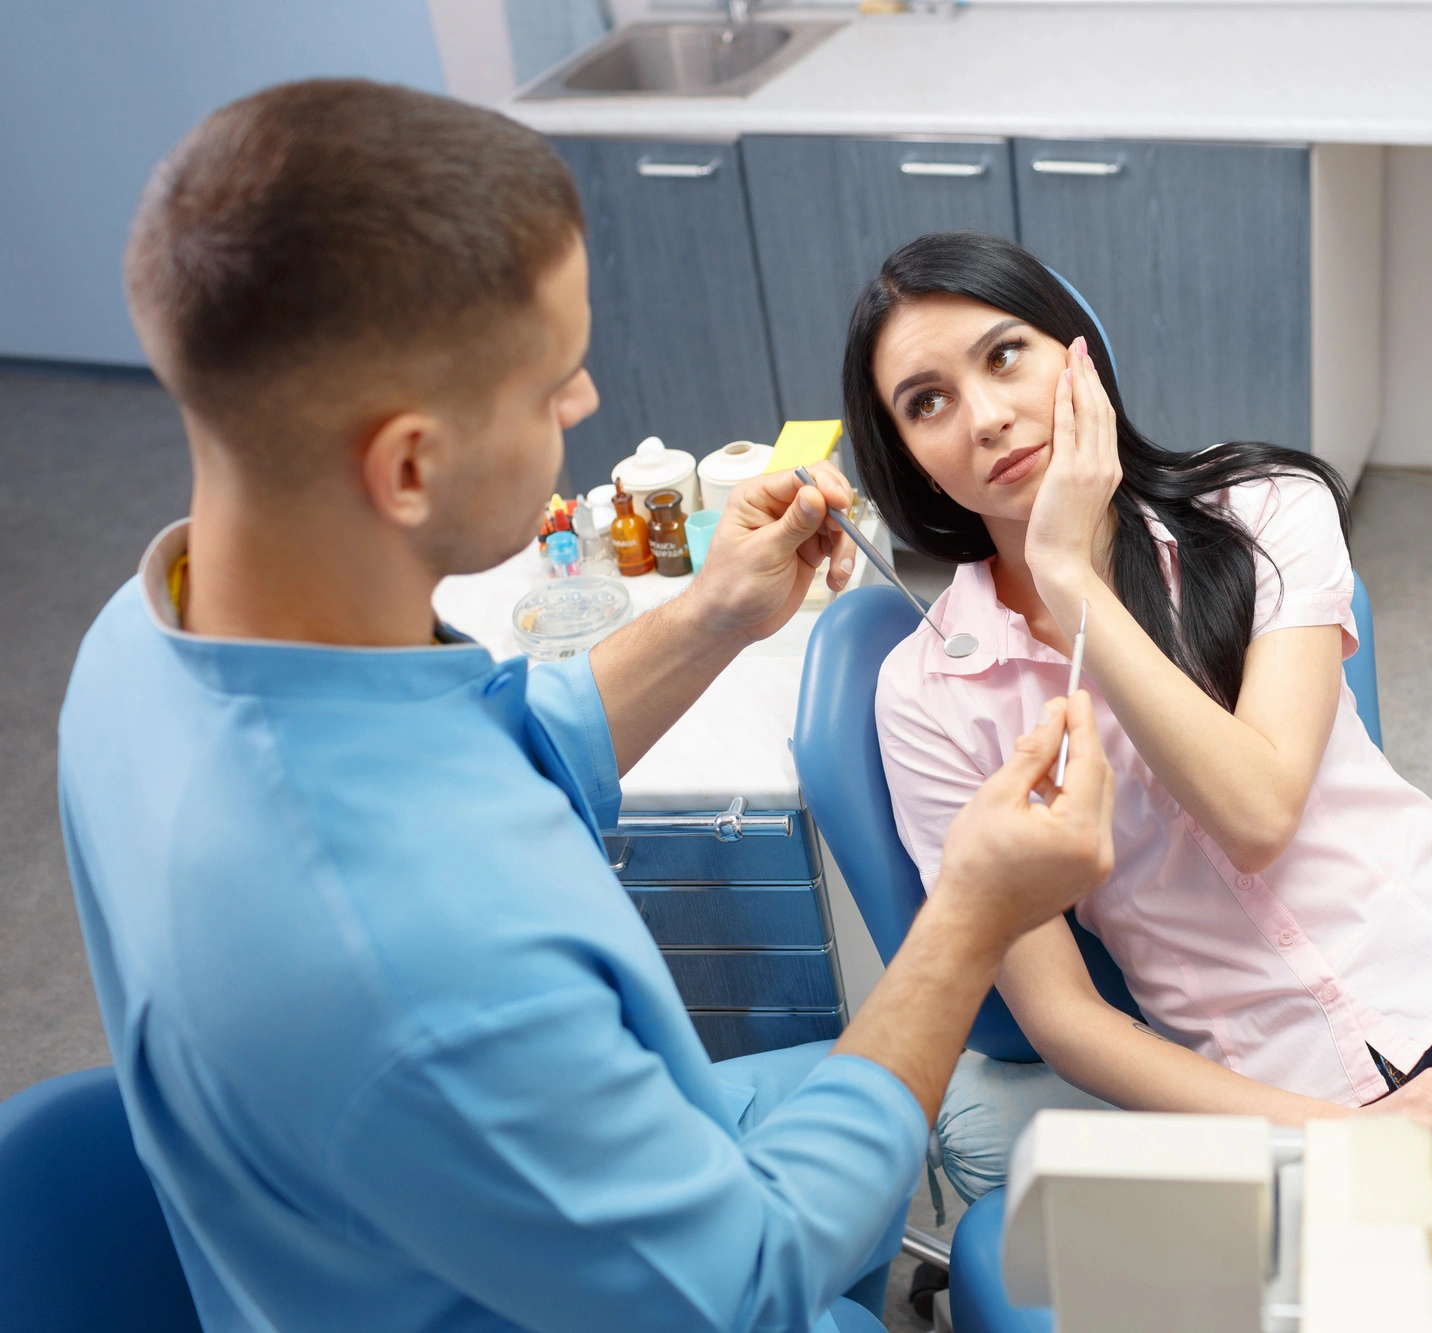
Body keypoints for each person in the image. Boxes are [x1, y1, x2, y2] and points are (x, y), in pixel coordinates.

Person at [57, 84, 1118, 1333]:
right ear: (409, 466)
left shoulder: (152, 634)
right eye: (552, 383)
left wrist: (711, 614)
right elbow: (746, 1280)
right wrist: (969, 913)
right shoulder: (409, 955)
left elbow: (481, 754)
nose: (584, 401)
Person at [848, 231, 1432, 1201]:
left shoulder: (1263, 509)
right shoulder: (929, 694)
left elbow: (1256, 813)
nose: (985, 417)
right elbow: (1059, 1016)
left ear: (1074, 354)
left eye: (1002, 356)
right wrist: (1344, 1135)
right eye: (927, 402)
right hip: (1276, 1104)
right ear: (901, 452)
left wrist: (1069, 578)